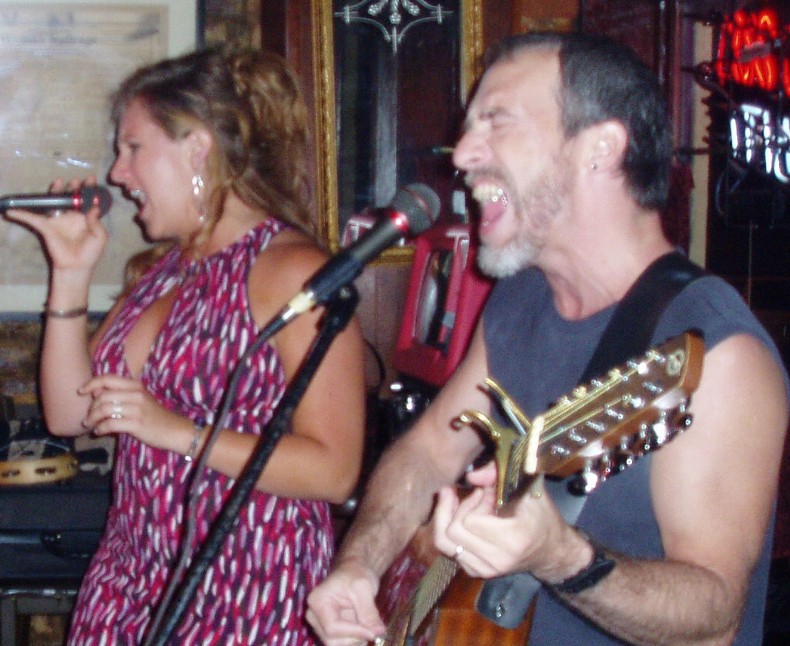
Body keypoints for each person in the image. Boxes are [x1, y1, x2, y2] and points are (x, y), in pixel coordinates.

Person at [306, 32, 790, 645]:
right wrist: (359, 567)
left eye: (496, 121)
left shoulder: (716, 350)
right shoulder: (522, 299)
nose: (462, 154)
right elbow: (429, 452)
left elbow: (714, 621)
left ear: (600, 148)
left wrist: (563, 558)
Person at [4, 47, 366, 644]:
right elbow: (71, 414)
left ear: (198, 147)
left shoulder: (292, 271)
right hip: (130, 581)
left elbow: (334, 471)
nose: (118, 174)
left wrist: (176, 431)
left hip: (246, 589)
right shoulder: (162, 273)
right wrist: (69, 272)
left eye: (133, 148)